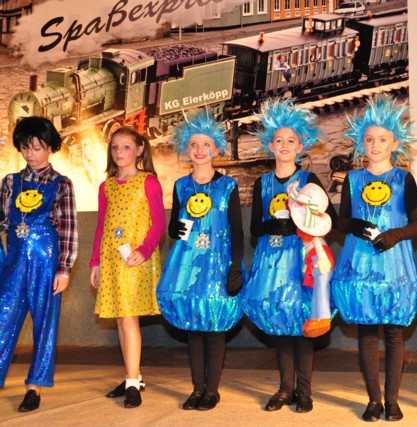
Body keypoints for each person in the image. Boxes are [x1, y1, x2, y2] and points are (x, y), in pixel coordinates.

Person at [240, 98, 336, 414]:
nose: (284, 145)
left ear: (300, 147)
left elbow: (330, 218)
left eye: (290, 141)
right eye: (278, 140)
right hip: (272, 263)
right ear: (270, 146)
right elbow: (254, 228)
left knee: (303, 323)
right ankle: (285, 388)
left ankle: (304, 391)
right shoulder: (262, 183)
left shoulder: (308, 180)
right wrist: (271, 225)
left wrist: (299, 224)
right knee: (280, 324)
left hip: (301, 261)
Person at [331, 94, 417, 422]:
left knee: (394, 333)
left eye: (382, 139)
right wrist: (353, 225)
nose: (375, 145)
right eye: (369, 139)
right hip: (360, 263)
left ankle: (393, 400)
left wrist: (396, 234)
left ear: (394, 143)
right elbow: (341, 222)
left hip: (394, 264)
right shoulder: (352, 179)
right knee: (367, 333)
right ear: (361, 143)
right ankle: (374, 400)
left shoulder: (404, 178)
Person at [155, 111, 244, 411]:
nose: (200, 149)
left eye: (206, 144)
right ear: (186, 149)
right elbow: (174, 228)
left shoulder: (228, 186)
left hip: (218, 265)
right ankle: (197, 388)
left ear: (216, 149)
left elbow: (236, 230)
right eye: (194, 144)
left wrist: (235, 267)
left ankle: (212, 390)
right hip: (188, 265)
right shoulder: (181, 185)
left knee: (215, 327)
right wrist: (179, 230)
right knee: (193, 326)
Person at [0, 116, 78, 412]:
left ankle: (34, 387)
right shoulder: (10, 182)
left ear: (50, 147)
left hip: (47, 263)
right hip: (13, 263)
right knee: (3, 318)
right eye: (25, 147)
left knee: (45, 324)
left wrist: (64, 269)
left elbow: (69, 228)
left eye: (37, 147)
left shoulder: (62, 184)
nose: (31, 154)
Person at [89, 127, 164, 408]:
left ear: (140, 149)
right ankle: (134, 375)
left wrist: (144, 250)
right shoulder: (106, 186)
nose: (119, 152)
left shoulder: (148, 182)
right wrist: (95, 262)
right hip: (111, 260)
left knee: (129, 317)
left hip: (135, 259)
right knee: (121, 318)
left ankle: (132, 382)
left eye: (126, 147)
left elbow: (158, 222)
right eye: (115, 147)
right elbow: (101, 225)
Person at [286, 181, 334, 338]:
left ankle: (323, 317)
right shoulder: (306, 224)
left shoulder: (311, 227)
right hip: (313, 256)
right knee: (316, 287)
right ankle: (315, 317)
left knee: (321, 284)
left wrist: (322, 258)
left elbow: (317, 242)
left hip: (320, 255)